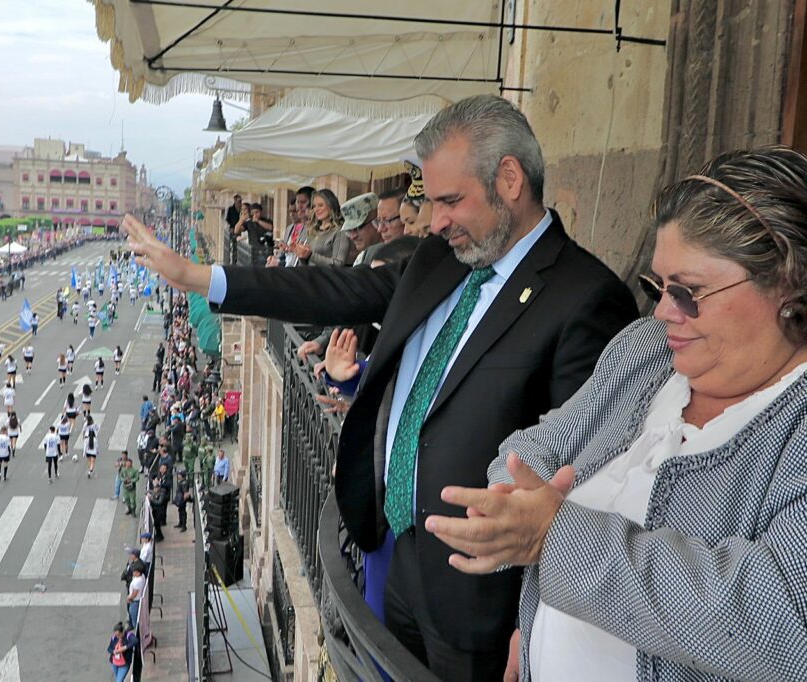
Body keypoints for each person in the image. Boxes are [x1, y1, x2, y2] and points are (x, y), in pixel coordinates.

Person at [122, 94, 639, 678]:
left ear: (510, 180)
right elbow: (331, 290)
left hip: (480, 606)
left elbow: (583, 481)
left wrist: (535, 619)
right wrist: (198, 277)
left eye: (450, 200)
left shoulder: (586, 299)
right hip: (395, 556)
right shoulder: (441, 260)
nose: (436, 220)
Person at [412, 146, 807, 682]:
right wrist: (515, 500)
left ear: (789, 287)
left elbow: (779, 625)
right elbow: (548, 440)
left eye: (689, 292)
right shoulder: (647, 351)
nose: (665, 312)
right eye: (659, 288)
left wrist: (553, 538)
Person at [294, 189, 352, 266]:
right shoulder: (313, 231)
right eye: (314, 206)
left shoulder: (340, 231)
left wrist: (310, 255)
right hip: (308, 275)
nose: (316, 209)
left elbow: (338, 264)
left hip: (326, 277)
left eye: (320, 205)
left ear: (331, 206)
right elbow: (306, 263)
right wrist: (302, 255)